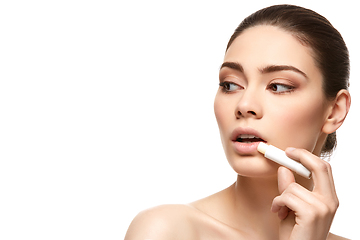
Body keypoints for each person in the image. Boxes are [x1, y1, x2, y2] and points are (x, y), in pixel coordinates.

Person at [125, 4, 351, 240]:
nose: (245, 105)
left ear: (335, 111)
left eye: (279, 86)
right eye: (230, 85)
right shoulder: (167, 230)